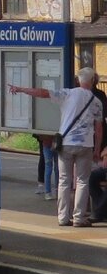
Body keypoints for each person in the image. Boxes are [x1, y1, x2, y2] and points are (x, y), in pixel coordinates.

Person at [9, 67, 104, 227]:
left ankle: (63, 217)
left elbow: (42, 92)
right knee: (82, 181)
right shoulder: (96, 102)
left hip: (65, 144)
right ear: (93, 81)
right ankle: (79, 218)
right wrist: (97, 149)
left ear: (78, 81)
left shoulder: (67, 94)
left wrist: (21, 89)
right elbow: (99, 128)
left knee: (64, 181)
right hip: (85, 145)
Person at [35, 133, 55, 200]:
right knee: (58, 169)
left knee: (48, 168)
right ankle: (58, 191)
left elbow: (40, 136)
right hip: (58, 143)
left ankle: (48, 192)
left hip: (46, 143)